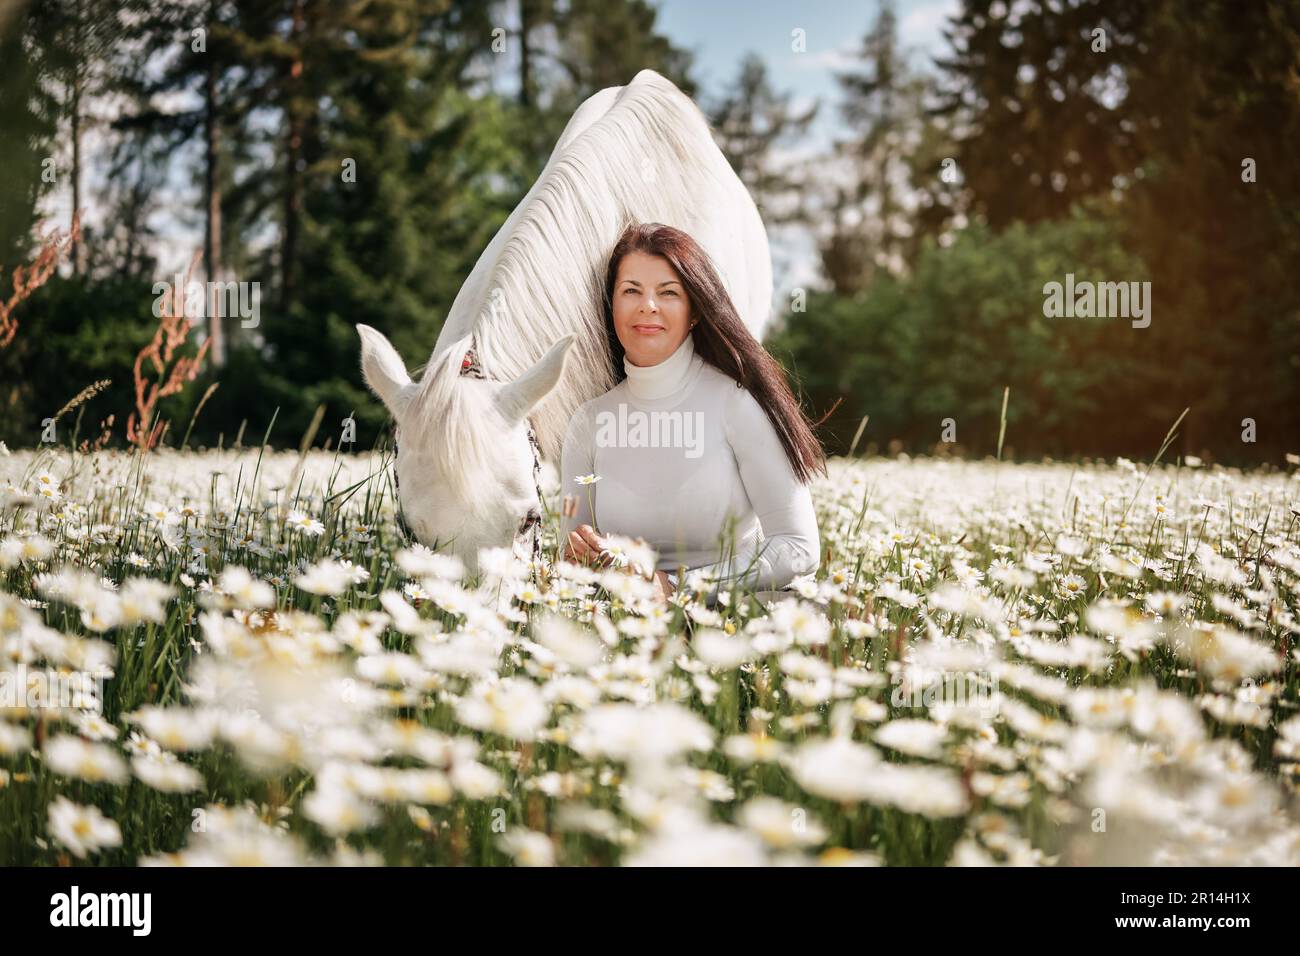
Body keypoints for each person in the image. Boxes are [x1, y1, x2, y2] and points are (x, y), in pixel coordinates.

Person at [560, 221, 825, 602]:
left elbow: (798, 548)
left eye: (668, 293)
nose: (647, 305)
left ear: (695, 311)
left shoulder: (738, 405)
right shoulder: (587, 423)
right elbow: (573, 557)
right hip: (622, 637)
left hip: (733, 630)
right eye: (630, 291)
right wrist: (580, 555)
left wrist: (675, 586)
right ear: (611, 305)